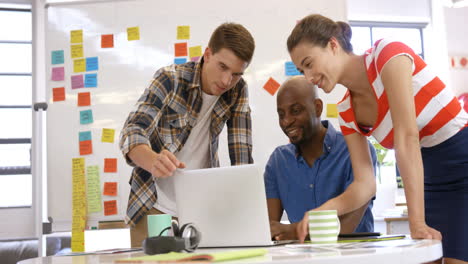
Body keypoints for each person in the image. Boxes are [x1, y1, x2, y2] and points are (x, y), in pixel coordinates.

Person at [287, 14, 467, 263]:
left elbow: (407, 136)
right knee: (432, 257)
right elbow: (364, 184)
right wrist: (322, 210)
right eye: (301, 70)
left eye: (309, 63)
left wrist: (416, 222)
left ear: (333, 45)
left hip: (462, 151)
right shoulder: (346, 111)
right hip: (432, 175)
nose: (308, 78)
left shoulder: (387, 55)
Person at [119, 22, 255, 248]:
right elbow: (132, 131)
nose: (226, 81)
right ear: (208, 54)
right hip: (153, 203)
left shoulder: (238, 90)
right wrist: (153, 160)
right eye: (222, 67)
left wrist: (243, 213)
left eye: (236, 74)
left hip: (201, 207)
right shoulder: (170, 79)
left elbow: (241, 157)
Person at [264, 76, 377, 240]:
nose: (287, 121)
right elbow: (270, 230)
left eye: (296, 111)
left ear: (317, 108)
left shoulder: (356, 151)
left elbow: (345, 228)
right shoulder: (278, 161)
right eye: (281, 114)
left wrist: (294, 231)